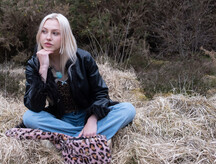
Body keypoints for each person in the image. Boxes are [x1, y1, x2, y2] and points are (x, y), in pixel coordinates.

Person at [22, 13, 136, 141]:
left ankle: (69, 139)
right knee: (29, 117)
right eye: (44, 31)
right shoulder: (34, 64)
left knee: (128, 109)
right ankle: (84, 139)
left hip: (87, 113)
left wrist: (92, 120)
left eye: (55, 33)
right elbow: (35, 106)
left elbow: (101, 93)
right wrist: (42, 68)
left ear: (65, 36)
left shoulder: (83, 58)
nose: (48, 37)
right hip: (61, 120)